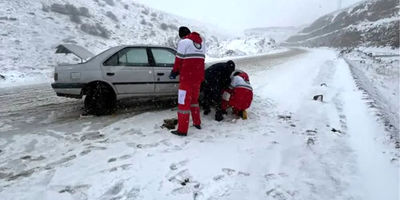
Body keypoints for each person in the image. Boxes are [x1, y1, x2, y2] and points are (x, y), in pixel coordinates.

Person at [169, 26, 206, 136]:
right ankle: (197, 123)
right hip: (197, 78)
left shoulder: (184, 42)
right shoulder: (202, 44)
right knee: (194, 101)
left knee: (183, 104)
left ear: (181, 35)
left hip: (186, 79)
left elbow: (178, 60)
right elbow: (200, 61)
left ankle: (182, 130)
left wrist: (174, 72)